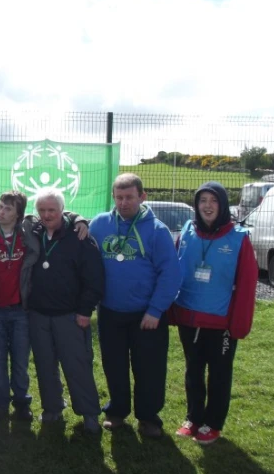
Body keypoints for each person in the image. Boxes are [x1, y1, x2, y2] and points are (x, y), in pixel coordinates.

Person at [89, 173, 181, 438]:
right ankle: (117, 411)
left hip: (147, 315)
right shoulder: (100, 224)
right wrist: (77, 222)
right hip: (110, 312)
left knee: (149, 368)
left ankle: (149, 416)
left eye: (129, 197)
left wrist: (155, 310)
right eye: (119, 197)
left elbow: (171, 274)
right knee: (114, 365)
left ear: (142, 197)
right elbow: (80, 240)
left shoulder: (157, 230)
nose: (123, 203)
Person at [169, 182, 258, 445]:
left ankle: (213, 423)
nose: (207, 206)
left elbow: (247, 284)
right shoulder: (187, 231)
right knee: (193, 371)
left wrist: (238, 324)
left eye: (213, 201)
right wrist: (172, 311)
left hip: (221, 324)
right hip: (189, 319)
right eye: (202, 200)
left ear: (222, 205)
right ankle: (194, 418)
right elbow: (174, 270)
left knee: (219, 374)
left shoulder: (239, 238)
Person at [27, 187, 104, 433]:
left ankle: (90, 413)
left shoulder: (80, 237)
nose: (47, 215)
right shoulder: (33, 231)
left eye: (52, 210)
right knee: (44, 365)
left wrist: (84, 311)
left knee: (77, 365)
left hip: (70, 315)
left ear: (62, 210)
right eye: (42, 210)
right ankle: (52, 408)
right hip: (38, 314)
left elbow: (94, 279)